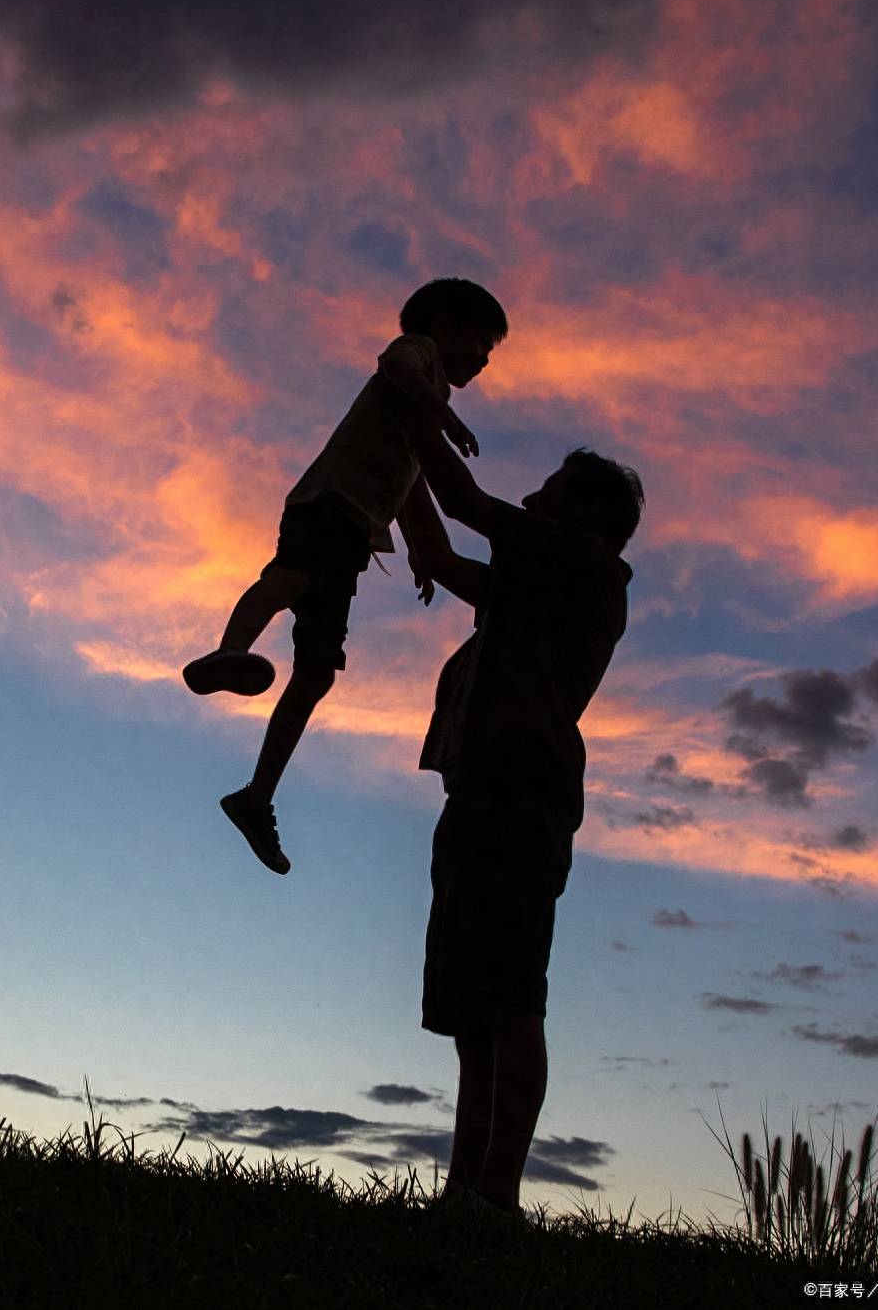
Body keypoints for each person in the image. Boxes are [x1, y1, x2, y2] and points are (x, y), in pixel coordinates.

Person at [398, 410, 643, 1219]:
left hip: (520, 792)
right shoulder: (537, 580)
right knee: (475, 1008)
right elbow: (436, 551)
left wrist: (404, 408)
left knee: (509, 1001)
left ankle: (495, 1197)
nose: (533, 496)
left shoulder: (579, 562)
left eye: (553, 488)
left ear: (583, 515)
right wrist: (389, 468)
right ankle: (464, 1192)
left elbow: (465, 499)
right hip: (480, 795)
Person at [181, 279, 507, 875]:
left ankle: (256, 798)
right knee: (292, 578)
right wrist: (441, 414)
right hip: (327, 503)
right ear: (444, 325)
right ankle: (229, 650)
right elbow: (392, 366)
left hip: (355, 531)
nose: (484, 360)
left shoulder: (429, 394)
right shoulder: (420, 354)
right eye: (481, 343)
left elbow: (407, 484)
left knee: (316, 672)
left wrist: (418, 554)